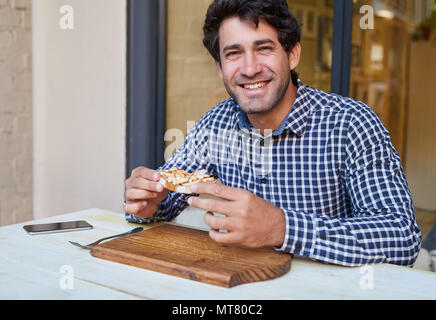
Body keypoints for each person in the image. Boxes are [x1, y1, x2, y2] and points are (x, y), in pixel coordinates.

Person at [124, 0, 421, 267]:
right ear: (219, 67)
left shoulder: (352, 124)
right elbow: (169, 197)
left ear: (292, 55)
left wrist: (283, 227)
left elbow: (401, 237)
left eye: (264, 48)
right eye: (234, 53)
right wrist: (149, 202)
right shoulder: (214, 124)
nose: (250, 68)